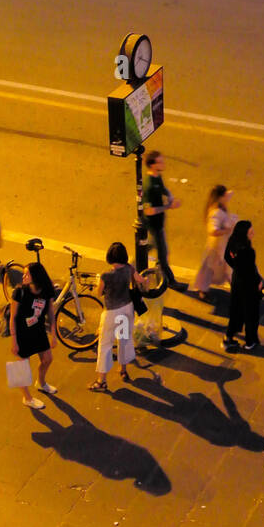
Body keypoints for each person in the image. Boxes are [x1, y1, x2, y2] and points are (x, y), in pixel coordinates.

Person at [89, 242, 138, 391]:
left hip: (111, 313)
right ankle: (123, 370)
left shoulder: (106, 275)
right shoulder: (129, 269)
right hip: (127, 309)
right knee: (124, 339)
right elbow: (140, 280)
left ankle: (101, 381)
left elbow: (99, 293)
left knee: (105, 345)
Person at [9, 261, 57, 408]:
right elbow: (13, 317)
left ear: (36, 276)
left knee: (48, 359)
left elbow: (50, 313)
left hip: (39, 330)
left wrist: (54, 334)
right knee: (21, 368)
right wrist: (14, 340)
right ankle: (27, 398)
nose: (23, 277)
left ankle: (41, 383)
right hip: (22, 333)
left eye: (26, 274)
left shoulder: (46, 290)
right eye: (23, 274)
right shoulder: (19, 292)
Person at [141, 150, 183, 289]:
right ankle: (171, 281)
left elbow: (163, 189)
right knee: (163, 253)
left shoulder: (157, 176)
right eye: (160, 162)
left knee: (155, 248)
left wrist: (169, 195)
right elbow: (149, 210)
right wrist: (168, 206)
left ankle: (137, 261)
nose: (163, 163)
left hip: (159, 223)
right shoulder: (149, 185)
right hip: (153, 224)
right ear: (153, 165)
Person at [223, 220, 264, 352]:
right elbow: (251, 272)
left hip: (237, 281)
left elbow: (226, 257)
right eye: (250, 232)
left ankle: (228, 337)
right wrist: (258, 283)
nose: (253, 233)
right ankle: (250, 341)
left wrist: (236, 268)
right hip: (248, 286)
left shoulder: (233, 241)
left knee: (236, 311)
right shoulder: (248, 251)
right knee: (251, 314)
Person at [191, 185, 237, 300]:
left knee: (225, 268)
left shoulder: (221, 206)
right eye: (225, 196)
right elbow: (213, 230)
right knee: (211, 269)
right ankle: (203, 291)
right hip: (216, 247)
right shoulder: (216, 212)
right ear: (220, 197)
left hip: (223, 246)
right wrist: (227, 229)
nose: (227, 198)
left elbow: (230, 193)